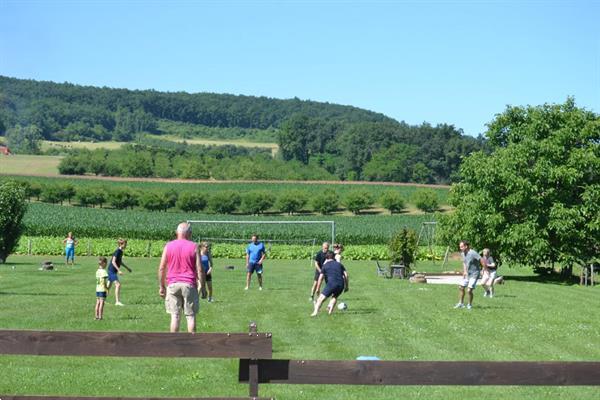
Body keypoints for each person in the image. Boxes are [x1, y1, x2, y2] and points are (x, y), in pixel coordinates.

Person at [158, 222, 203, 333]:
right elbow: (200, 269)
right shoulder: (194, 246)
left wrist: (161, 286)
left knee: (175, 316)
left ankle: (174, 344)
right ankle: (192, 345)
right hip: (189, 284)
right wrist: (203, 287)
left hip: (172, 284)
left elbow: (162, 268)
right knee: (190, 316)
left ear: (176, 233)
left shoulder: (168, 246)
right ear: (189, 233)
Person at [311, 251, 349, 316]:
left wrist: (318, 288)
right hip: (341, 284)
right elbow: (346, 275)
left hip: (332, 283)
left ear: (326, 258)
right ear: (334, 257)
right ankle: (330, 313)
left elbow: (320, 278)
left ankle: (315, 312)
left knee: (320, 299)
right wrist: (346, 286)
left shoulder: (325, 265)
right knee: (334, 297)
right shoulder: (339, 264)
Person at [454, 240, 486, 310]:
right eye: (460, 247)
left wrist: (483, 269)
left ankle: (469, 305)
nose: (460, 248)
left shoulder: (473, 253)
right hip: (468, 274)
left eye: (462, 247)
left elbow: (481, 260)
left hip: (475, 274)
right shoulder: (463, 253)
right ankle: (461, 303)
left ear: (466, 246)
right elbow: (464, 262)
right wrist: (464, 271)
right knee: (461, 287)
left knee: (469, 290)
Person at [107, 239, 132, 306]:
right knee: (118, 285)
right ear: (121, 244)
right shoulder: (117, 251)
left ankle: (102, 299)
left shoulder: (121, 251)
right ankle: (117, 302)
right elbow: (113, 261)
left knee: (108, 286)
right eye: (125, 244)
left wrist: (127, 268)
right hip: (112, 270)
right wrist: (119, 270)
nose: (126, 245)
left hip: (112, 270)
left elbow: (119, 262)